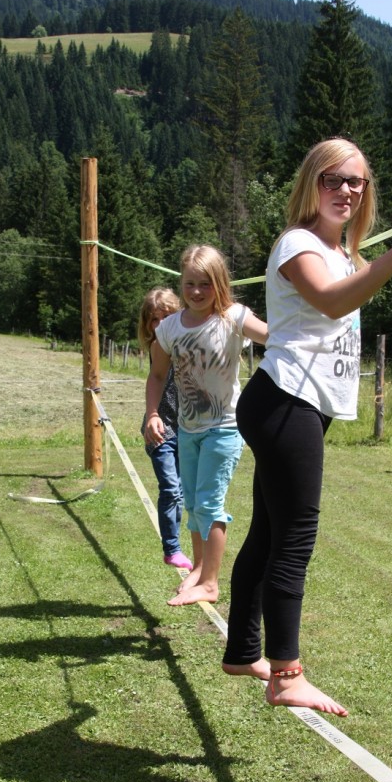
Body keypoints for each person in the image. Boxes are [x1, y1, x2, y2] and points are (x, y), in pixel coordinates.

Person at [221, 137, 392, 715]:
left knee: (269, 531)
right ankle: (287, 673)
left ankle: (243, 649)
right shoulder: (297, 243)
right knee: (295, 537)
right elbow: (331, 303)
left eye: (356, 182)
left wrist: (377, 254)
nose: (346, 190)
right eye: (333, 179)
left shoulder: (345, 255)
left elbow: (347, 283)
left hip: (300, 405)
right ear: (312, 183)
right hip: (287, 401)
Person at [145, 245, 268, 607]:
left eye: (205, 284)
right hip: (187, 429)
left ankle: (211, 584)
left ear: (220, 283)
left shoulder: (233, 317)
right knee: (193, 506)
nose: (197, 292)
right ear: (181, 283)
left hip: (225, 428)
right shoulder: (169, 327)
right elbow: (155, 375)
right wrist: (153, 413)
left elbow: (274, 338)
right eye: (189, 284)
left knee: (210, 504)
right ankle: (199, 569)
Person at [138, 287, 193, 573]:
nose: (158, 325)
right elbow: (157, 379)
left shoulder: (185, 344)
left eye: (165, 317)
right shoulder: (157, 346)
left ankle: (177, 544)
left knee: (181, 492)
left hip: (187, 427)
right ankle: (171, 549)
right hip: (159, 427)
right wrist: (151, 415)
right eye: (153, 319)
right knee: (170, 487)